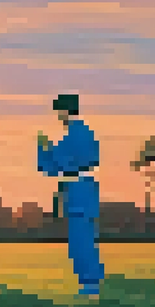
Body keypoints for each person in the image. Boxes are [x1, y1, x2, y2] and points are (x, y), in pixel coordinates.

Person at [38, 93, 103, 296]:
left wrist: (44, 148)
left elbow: (53, 165)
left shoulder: (76, 135)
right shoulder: (81, 133)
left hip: (78, 189)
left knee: (80, 239)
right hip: (81, 189)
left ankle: (90, 283)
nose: (58, 115)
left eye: (59, 111)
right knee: (82, 238)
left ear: (66, 111)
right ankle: (89, 281)